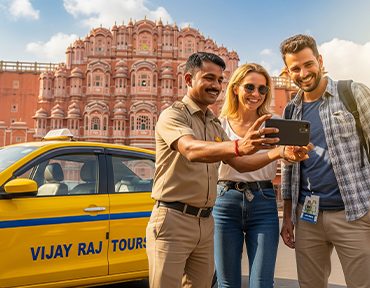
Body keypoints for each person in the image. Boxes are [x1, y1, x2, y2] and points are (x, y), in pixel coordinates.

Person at [146, 52, 311, 288]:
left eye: (219, 80)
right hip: (180, 214)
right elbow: (190, 149)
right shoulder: (174, 115)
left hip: (207, 218)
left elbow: (241, 164)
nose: (215, 85)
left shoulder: (212, 123)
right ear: (188, 79)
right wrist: (238, 145)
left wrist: (280, 153)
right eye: (208, 78)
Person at [279, 34, 370, 288]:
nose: (303, 72)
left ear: (319, 60)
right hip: (308, 218)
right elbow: (288, 168)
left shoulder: (352, 92)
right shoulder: (290, 111)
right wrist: (287, 217)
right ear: (288, 72)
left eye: (308, 64)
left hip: (355, 213)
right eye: (295, 68)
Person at [214, 63, 281, 288]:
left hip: (264, 201)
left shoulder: (276, 124)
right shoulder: (219, 125)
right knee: (227, 283)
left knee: (262, 283)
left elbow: (290, 164)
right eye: (250, 87)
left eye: (262, 90)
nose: (256, 94)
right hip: (224, 201)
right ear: (235, 88)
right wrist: (277, 152)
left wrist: (291, 154)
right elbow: (239, 163)